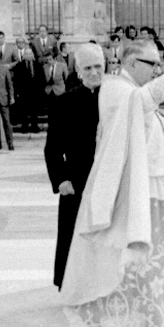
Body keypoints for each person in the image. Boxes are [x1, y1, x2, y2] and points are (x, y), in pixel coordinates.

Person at [59, 41, 164, 327]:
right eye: (152, 64)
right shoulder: (115, 88)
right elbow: (140, 101)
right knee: (136, 260)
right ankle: (124, 319)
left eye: (160, 64)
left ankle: (156, 319)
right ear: (131, 63)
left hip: (158, 185)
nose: (157, 69)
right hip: (135, 192)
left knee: (158, 260)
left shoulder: (132, 90)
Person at [44, 44, 104, 289]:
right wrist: (60, 180)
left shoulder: (114, 100)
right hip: (75, 180)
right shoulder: (64, 103)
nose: (93, 72)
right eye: (87, 67)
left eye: (98, 66)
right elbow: (53, 148)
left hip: (106, 179)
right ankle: (69, 283)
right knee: (72, 233)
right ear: (78, 71)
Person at [11, 47, 43, 133]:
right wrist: (17, 92)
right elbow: (16, 81)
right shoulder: (19, 66)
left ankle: (34, 127)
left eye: (30, 54)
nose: (28, 55)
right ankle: (24, 127)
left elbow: (41, 79)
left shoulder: (38, 65)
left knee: (34, 110)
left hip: (35, 92)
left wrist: (40, 91)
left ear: (32, 55)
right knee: (23, 111)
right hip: (23, 92)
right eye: (26, 54)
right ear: (24, 55)